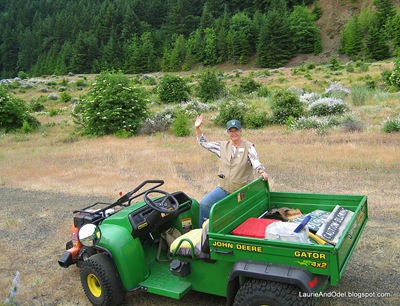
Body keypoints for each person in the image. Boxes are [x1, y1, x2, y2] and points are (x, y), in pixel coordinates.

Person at [194, 114, 269, 227]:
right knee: (205, 204)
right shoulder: (222, 146)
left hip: (242, 191)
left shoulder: (249, 147)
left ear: (241, 131)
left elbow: (255, 161)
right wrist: (197, 128)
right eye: (231, 131)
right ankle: (202, 235)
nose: (233, 133)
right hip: (224, 189)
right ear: (227, 133)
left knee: (239, 217)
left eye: (236, 130)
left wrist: (262, 171)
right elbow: (204, 143)